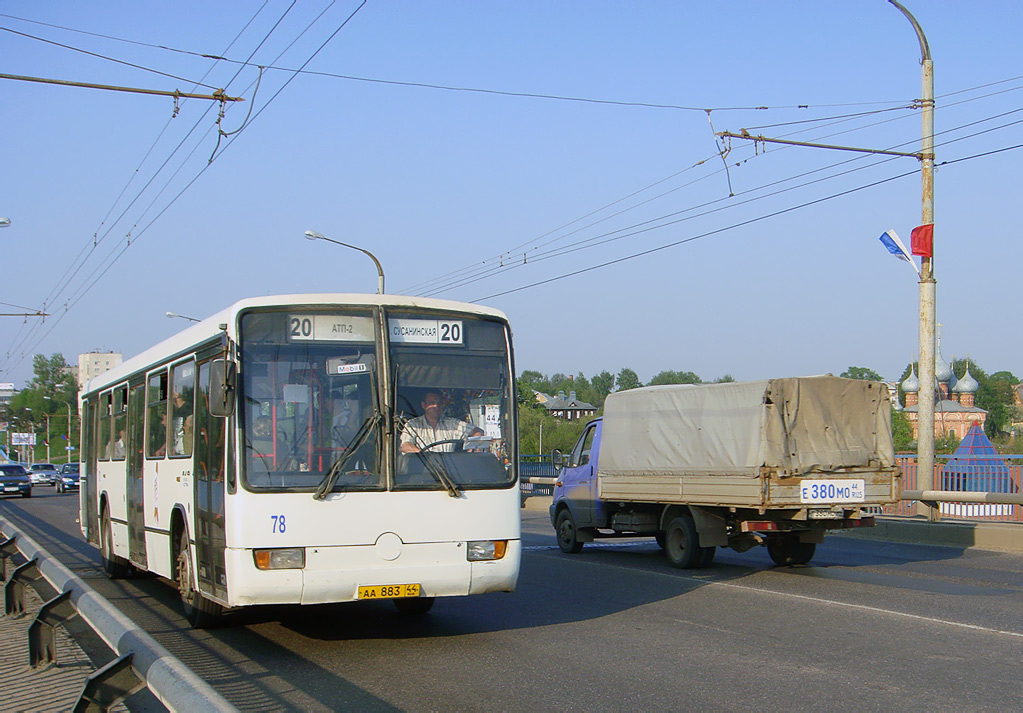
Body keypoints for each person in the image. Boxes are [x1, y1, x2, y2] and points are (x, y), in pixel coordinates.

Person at [399, 390, 483, 454]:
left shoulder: (453, 424)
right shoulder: (413, 425)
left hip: (449, 473)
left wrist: (473, 447)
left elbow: (478, 432)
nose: (436, 406)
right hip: (423, 472)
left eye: (439, 403)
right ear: (423, 405)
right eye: (432, 403)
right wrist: (424, 455)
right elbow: (405, 446)